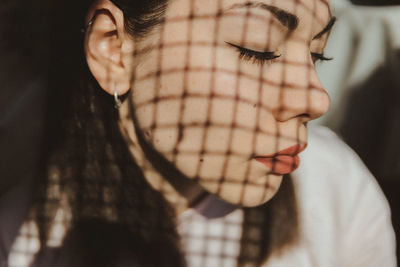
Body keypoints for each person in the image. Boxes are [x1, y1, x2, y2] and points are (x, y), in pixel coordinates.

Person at [2, 0, 396, 266]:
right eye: (256, 50)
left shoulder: (333, 187)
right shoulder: (23, 242)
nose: (317, 99)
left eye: (316, 55)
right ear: (114, 49)